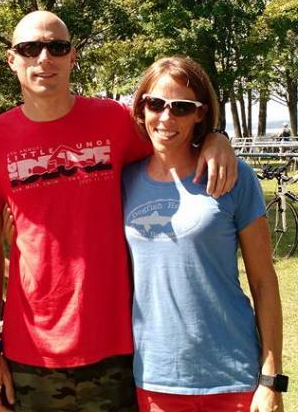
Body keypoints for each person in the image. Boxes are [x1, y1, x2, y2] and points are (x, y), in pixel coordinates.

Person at [0, 10, 237, 412]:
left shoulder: (113, 120)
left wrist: (215, 137)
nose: (44, 58)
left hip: (118, 349)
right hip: (30, 354)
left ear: (72, 56)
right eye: (30, 48)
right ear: (13, 60)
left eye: (56, 47)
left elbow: (174, 140)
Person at [122, 56, 285, 412]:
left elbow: (263, 281)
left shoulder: (234, 177)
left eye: (181, 107)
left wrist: (271, 379)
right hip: (155, 378)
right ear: (141, 106)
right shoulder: (122, 179)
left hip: (233, 376)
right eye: (156, 104)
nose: (166, 118)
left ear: (200, 113)